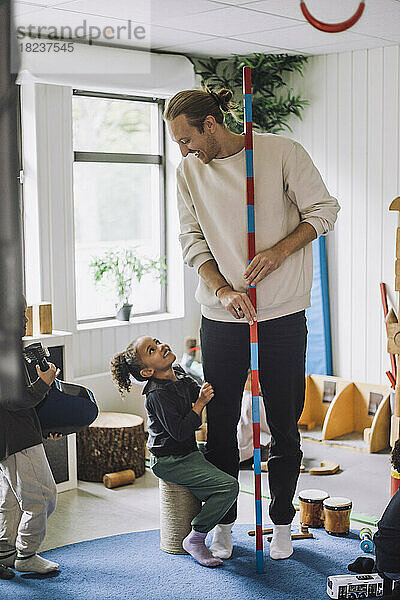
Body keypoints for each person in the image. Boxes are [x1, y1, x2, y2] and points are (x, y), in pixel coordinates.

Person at [163, 87, 340, 560]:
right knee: (220, 424)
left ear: (211, 125)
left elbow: (325, 211)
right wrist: (223, 289)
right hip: (222, 315)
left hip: (281, 311)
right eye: (177, 142)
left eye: (186, 138)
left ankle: (281, 522)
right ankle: (223, 524)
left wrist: (278, 252)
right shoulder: (187, 171)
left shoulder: (281, 153)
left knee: (283, 422)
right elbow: (191, 240)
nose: (183, 150)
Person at [110, 336, 239, 567]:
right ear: (147, 372)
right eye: (152, 349)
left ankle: (206, 504)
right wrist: (199, 405)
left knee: (220, 455)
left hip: (185, 450)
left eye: (158, 342)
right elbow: (179, 431)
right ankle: (196, 538)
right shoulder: (156, 394)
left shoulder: (178, 372)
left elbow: (194, 391)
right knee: (229, 487)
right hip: (169, 459)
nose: (162, 347)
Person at [0, 302, 59, 574]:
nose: (25, 319)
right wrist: (44, 383)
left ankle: (5, 553)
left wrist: (47, 426)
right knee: (43, 497)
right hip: (19, 438)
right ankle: (27, 553)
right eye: (18, 314)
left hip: (11, 438)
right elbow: (14, 400)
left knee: (11, 499)